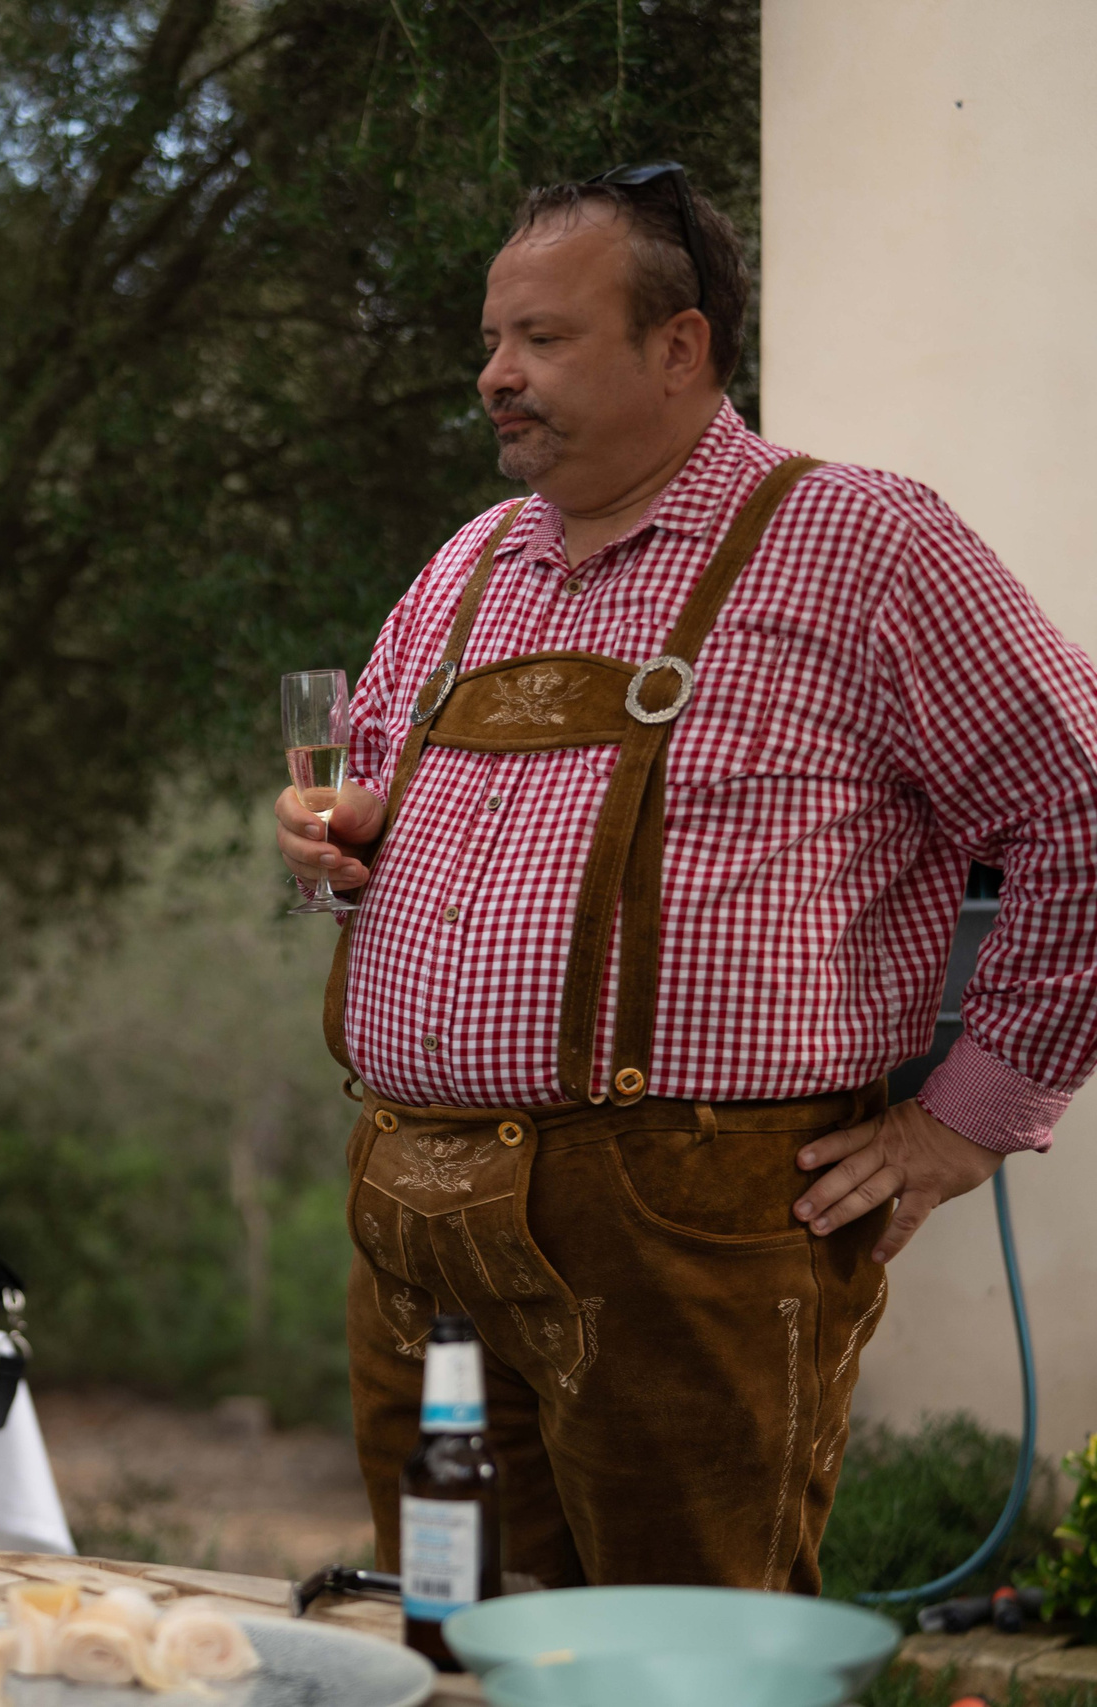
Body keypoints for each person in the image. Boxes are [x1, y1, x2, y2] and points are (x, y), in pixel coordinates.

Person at [273, 167, 1097, 1593]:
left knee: (684, 1661)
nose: (494, 375)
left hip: (690, 1235)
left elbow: (1079, 806)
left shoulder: (866, 545)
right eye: (491, 340)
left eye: (541, 337)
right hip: (417, 1226)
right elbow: (369, 837)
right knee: (450, 1641)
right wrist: (339, 851)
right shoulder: (467, 565)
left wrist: (969, 1119)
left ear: (681, 346)